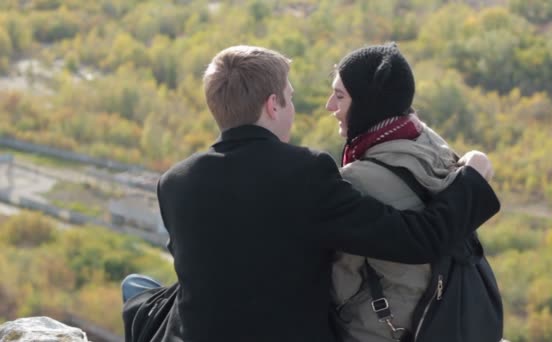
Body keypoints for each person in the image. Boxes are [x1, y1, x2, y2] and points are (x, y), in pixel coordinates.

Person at [121, 45, 500, 342]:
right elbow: (419, 240)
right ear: (273, 105)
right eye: (291, 96)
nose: (302, 107)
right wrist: (472, 178)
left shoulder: (174, 182)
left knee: (138, 290)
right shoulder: (308, 173)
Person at [327, 43, 495, 341]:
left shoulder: (356, 181)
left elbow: (342, 282)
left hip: (385, 331)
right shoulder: (434, 148)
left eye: (340, 96)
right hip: (449, 318)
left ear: (368, 104)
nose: (330, 105)